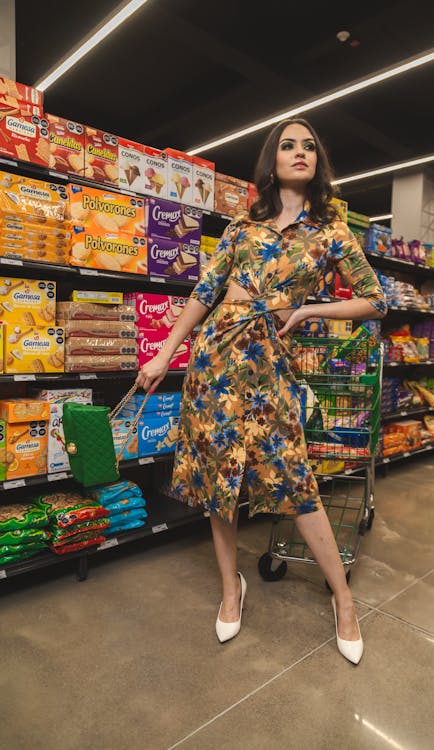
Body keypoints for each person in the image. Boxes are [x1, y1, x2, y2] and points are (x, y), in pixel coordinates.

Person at [135, 118, 387, 664]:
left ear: (318, 162)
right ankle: (232, 589)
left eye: (310, 147)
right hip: (215, 366)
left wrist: (309, 308)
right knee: (220, 478)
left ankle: (343, 600)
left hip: (273, 368)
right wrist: (163, 354)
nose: (300, 153)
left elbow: (375, 300)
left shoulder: (331, 233)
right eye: (288, 146)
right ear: (272, 161)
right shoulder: (240, 230)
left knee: (295, 480)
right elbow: (204, 293)